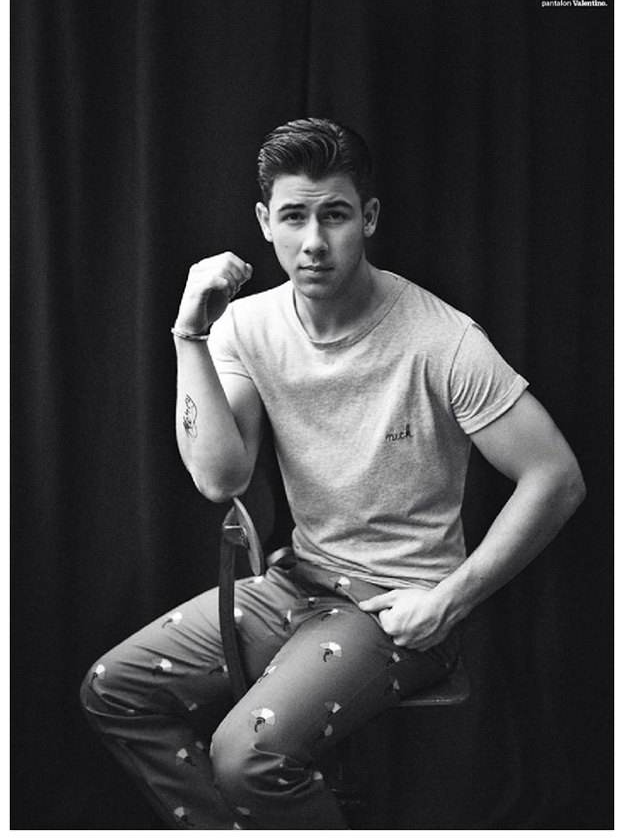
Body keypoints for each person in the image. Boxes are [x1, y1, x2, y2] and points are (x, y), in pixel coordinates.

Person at [80, 118, 585, 830]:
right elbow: (220, 478)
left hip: (398, 607)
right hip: (296, 584)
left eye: (335, 215)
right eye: (294, 217)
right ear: (265, 222)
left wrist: (449, 601)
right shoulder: (245, 327)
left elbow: (556, 477)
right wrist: (189, 335)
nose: (314, 241)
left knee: (247, 755)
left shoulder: (443, 340)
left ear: (368, 217)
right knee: (114, 689)